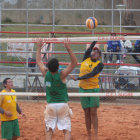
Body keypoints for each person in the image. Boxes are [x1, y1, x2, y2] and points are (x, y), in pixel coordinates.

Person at [36, 39, 77, 140]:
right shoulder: (62, 74)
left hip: (50, 105)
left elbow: (38, 61)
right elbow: (74, 62)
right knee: (66, 131)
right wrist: (68, 48)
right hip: (62, 105)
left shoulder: (46, 73)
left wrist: (38, 47)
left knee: (49, 131)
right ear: (58, 66)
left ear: (48, 67)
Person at [71, 41, 104, 140]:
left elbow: (92, 74)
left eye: (97, 52)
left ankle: (96, 134)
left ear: (99, 56)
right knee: (86, 112)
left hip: (93, 89)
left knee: (93, 111)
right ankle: (89, 134)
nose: (94, 53)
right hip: (83, 89)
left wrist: (78, 78)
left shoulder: (100, 64)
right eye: (94, 52)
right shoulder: (86, 58)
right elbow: (89, 49)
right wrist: (94, 40)